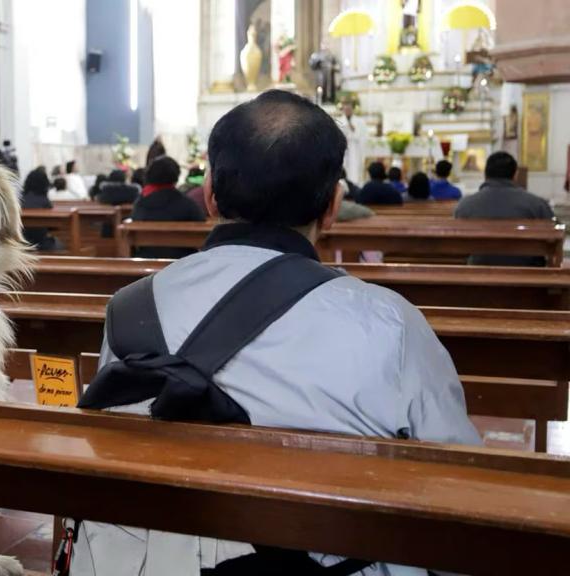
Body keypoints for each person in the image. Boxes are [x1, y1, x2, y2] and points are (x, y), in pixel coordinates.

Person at [72, 89, 479, 576]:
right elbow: (461, 492)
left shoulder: (129, 307)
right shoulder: (390, 323)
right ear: (332, 206)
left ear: (210, 196)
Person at [455, 151, 555, 266]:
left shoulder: (465, 205)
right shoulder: (537, 204)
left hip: (479, 271)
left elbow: (458, 243)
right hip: (527, 271)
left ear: (485, 174)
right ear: (515, 174)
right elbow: (554, 236)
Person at [130, 156, 206, 259]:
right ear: (176, 177)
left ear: (149, 176)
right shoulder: (187, 204)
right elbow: (201, 226)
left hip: (146, 259)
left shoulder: (140, 204)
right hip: (182, 261)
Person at [20, 167, 62, 251]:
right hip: (41, 243)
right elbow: (53, 225)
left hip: (23, 243)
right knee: (59, 245)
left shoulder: (20, 200)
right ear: (44, 183)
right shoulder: (45, 201)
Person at [337, 100, 367, 181]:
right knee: (344, 166)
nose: (347, 111)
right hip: (344, 148)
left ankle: (355, 182)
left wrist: (354, 130)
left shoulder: (359, 121)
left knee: (355, 168)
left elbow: (363, 135)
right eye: (346, 109)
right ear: (343, 110)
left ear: (352, 109)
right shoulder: (339, 121)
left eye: (349, 109)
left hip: (355, 149)